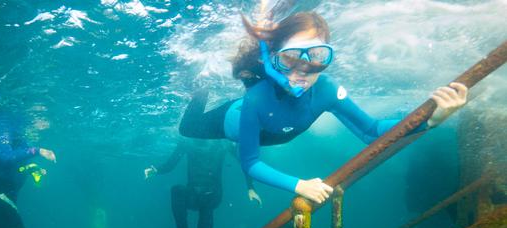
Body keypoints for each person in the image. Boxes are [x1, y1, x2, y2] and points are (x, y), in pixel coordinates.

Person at [179, 11, 468, 204]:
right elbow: (250, 162)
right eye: (291, 58)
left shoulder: (327, 90)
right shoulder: (257, 99)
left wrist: (430, 120)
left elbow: (371, 132)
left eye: (317, 56)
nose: (301, 72)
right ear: (275, 58)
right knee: (188, 127)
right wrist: (299, 185)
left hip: (269, 128)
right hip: (231, 121)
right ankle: (200, 89)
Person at [145, 137, 261, 228]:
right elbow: (170, 164)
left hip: (208, 194)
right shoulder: (195, 141)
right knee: (183, 194)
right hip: (202, 194)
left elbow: (245, 162)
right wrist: (156, 171)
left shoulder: (221, 142)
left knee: (201, 202)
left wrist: (251, 188)